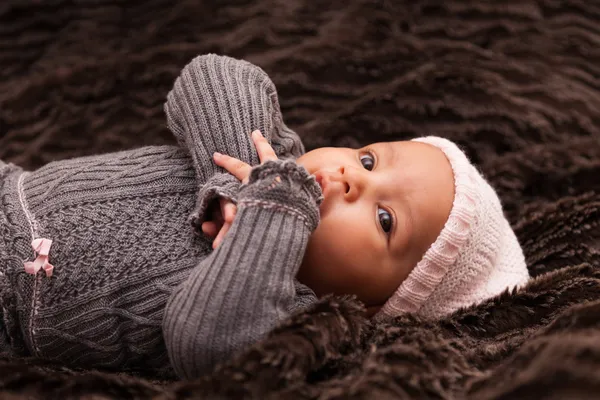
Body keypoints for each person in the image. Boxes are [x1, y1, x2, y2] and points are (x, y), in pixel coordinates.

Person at [0, 54, 529, 380]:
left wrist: (272, 211)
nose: (353, 178)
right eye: (368, 159)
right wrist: (241, 181)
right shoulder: (266, 151)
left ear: (373, 306)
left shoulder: (285, 314)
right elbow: (208, 75)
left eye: (385, 219)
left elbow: (202, 343)